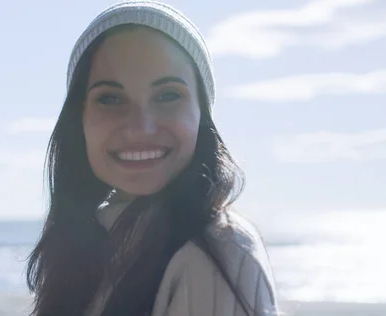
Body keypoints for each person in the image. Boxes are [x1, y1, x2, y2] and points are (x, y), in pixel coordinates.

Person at [26, 1, 280, 315]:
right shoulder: (89, 245)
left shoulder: (218, 252)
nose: (139, 128)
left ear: (202, 114)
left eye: (168, 95)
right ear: (80, 120)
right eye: (111, 98)